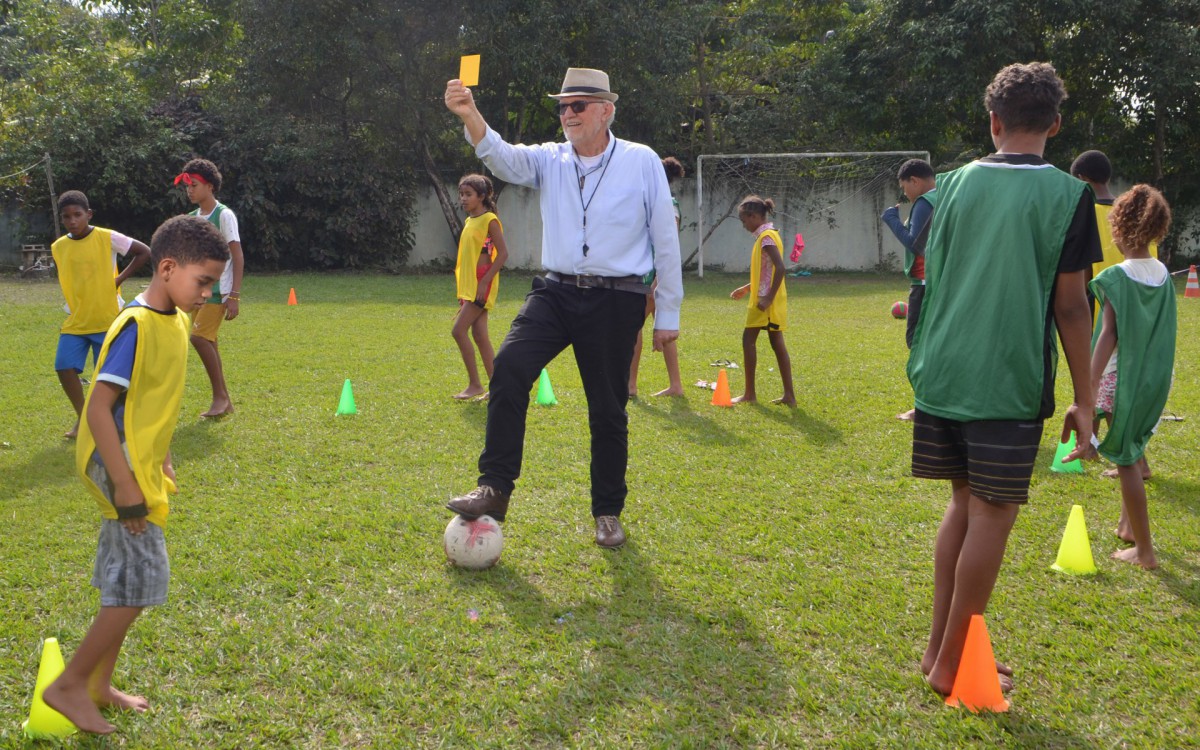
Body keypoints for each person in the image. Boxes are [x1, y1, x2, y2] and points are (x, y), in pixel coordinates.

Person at [906, 62, 1101, 698]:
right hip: (1005, 379)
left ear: (993, 121)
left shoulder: (948, 188)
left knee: (962, 503)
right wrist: (1087, 395)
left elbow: (932, 279)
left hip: (942, 372)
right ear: (1056, 124)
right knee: (994, 511)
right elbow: (1072, 307)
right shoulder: (1070, 197)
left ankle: (940, 648)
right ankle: (952, 663)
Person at [442, 67, 683, 549]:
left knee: (608, 409)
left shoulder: (641, 161)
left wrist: (668, 315)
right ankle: (494, 488)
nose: (566, 115)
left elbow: (665, 239)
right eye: (562, 106)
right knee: (509, 368)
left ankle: (608, 512)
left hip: (618, 298)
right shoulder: (550, 159)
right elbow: (501, 156)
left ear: (605, 111)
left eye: (577, 106)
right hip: (555, 292)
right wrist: (469, 114)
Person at [42, 215, 229, 735]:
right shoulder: (137, 324)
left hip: (139, 460)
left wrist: (163, 453)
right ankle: (69, 685)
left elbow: (155, 395)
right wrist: (125, 483)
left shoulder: (176, 320)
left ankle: (100, 684)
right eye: (204, 282)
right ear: (166, 268)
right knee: (142, 581)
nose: (208, 294)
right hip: (115, 463)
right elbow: (100, 409)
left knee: (125, 579)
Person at [1090, 184, 1174, 569]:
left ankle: (1144, 551)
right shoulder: (1161, 273)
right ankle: (1127, 526)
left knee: (1125, 459)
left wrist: (1087, 388)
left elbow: (1109, 335)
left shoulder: (1117, 278)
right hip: (1155, 378)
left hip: (1121, 378)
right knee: (1133, 451)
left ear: (1118, 230)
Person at [1070, 149, 1159, 480]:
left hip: (1098, 315)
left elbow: (1078, 271)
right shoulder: (1135, 214)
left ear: (1081, 180)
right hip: (1138, 321)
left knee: (1098, 384)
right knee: (1108, 385)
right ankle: (1092, 445)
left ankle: (1118, 453)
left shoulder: (1082, 211)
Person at [51, 191, 151, 438]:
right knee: (63, 366)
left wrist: (118, 279)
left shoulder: (107, 237)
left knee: (106, 378)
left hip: (108, 318)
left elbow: (144, 251)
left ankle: (115, 424)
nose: (72, 221)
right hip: (77, 320)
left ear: (89, 214)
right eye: (67, 217)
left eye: (77, 215)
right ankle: (83, 417)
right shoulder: (59, 247)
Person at [175, 158, 244, 418]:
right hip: (198, 294)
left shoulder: (224, 215)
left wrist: (234, 294)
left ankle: (221, 398)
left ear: (210, 186)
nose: (189, 190)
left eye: (194, 185)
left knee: (199, 338)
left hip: (219, 292)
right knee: (209, 342)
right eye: (187, 186)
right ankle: (224, 402)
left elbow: (237, 255)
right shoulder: (192, 218)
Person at [881, 159, 937, 421]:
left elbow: (915, 244)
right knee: (936, 346)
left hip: (926, 285)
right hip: (941, 283)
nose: (905, 194)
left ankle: (924, 408)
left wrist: (892, 220)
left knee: (916, 344)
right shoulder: (946, 197)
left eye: (905, 188)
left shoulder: (925, 202)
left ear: (914, 180)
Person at [729, 195, 795, 406]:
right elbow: (765, 271)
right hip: (770, 299)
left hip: (764, 303)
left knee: (748, 340)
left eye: (744, 220)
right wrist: (747, 288)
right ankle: (789, 396)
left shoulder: (766, 237)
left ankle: (749, 394)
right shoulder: (770, 234)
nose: (744, 225)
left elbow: (781, 268)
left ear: (754, 216)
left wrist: (767, 298)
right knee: (777, 343)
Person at [628, 156, 685, 398]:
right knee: (661, 327)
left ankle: (630, 385)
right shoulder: (658, 203)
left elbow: (670, 243)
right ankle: (675, 385)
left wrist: (657, 282)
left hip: (653, 276)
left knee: (633, 327)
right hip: (652, 275)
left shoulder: (667, 205)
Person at [452, 173, 509, 400]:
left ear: (482, 196)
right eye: (461, 194)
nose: (463, 199)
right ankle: (498, 388)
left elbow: (503, 254)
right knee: (480, 335)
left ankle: (475, 385)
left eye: (468, 194)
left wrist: (484, 282)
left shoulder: (490, 220)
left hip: (481, 283)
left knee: (458, 331)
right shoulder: (469, 221)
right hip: (471, 285)